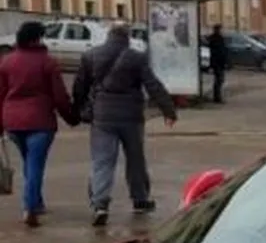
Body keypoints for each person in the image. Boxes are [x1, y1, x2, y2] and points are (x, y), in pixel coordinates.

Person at [72, 23, 177, 227]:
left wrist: (78, 110)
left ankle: (100, 204)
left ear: (108, 35)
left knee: (102, 161)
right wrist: (168, 110)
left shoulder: (91, 55)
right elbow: (153, 84)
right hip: (132, 117)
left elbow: (80, 87)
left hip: (102, 116)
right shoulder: (137, 58)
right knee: (136, 159)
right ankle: (140, 200)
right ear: (127, 37)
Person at [0, 22, 80, 226]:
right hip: (40, 121)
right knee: (35, 164)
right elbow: (59, 96)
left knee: (29, 161)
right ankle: (30, 207)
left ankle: (37, 201)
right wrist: (70, 117)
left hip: (13, 122)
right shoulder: (47, 62)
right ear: (36, 39)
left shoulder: (6, 62)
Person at [206, 24, 229, 103]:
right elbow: (220, 51)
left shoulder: (216, 38)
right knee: (219, 80)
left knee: (219, 80)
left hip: (218, 62)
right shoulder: (216, 38)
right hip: (218, 62)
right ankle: (217, 97)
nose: (221, 31)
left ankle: (217, 96)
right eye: (220, 29)